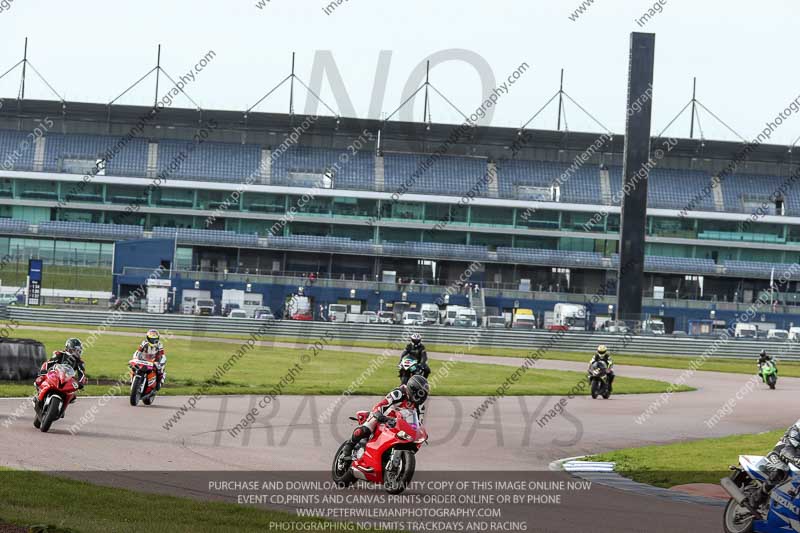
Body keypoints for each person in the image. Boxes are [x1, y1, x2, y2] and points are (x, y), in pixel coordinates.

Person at [340, 375, 429, 459]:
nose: (420, 398)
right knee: (365, 430)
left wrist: (421, 433)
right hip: (383, 418)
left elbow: (419, 423)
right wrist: (378, 414)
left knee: (413, 442)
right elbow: (381, 404)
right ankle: (349, 445)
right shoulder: (399, 393)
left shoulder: (420, 406)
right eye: (419, 394)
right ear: (412, 389)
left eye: (423, 395)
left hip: (400, 425)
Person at [749, 419, 800, 510]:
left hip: (796, 458)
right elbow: (789, 444)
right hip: (782, 451)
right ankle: (757, 498)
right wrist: (795, 458)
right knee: (781, 469)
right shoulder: (798, 427)